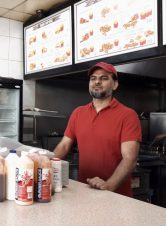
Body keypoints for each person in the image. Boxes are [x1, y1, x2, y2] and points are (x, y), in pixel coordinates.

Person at [53, 62, 141, 197]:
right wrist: (44, 162)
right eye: (93, 78)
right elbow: (64, 146)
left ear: (115, 84)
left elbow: (130, 158)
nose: (97, 82)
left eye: (104, 78)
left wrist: (109, 185)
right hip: (83, 191)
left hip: (116, 196)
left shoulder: (128, 115)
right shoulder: (78, 113)